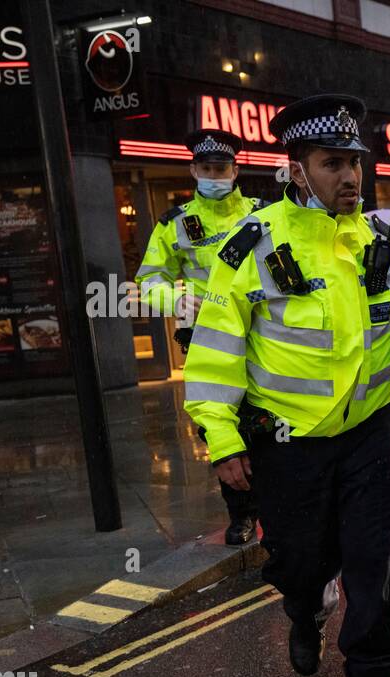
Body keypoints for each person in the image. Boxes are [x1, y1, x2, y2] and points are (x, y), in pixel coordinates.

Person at [182, 95, 390, 677]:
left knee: (374, 568)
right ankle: (304, 608)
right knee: (301, 562)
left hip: (370, 439)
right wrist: (221, 439)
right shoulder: (251, 246)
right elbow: (217, 350)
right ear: (296, 168)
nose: (350, 177)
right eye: (332, 163)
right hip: (288, 448)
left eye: (355, 164)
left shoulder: (377, 242)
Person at [136, 128, 263, 545]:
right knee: (220, 427)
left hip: (262, 336)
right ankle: (241, 514)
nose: (214, 175)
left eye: (221, 168)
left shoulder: (261, 214)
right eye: (206, 168)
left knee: (266, 422)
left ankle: (275, 504)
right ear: (194, 170)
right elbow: (150, 279)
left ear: (235, 169)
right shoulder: (174, 224)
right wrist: (175, 299)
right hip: (206, 339)